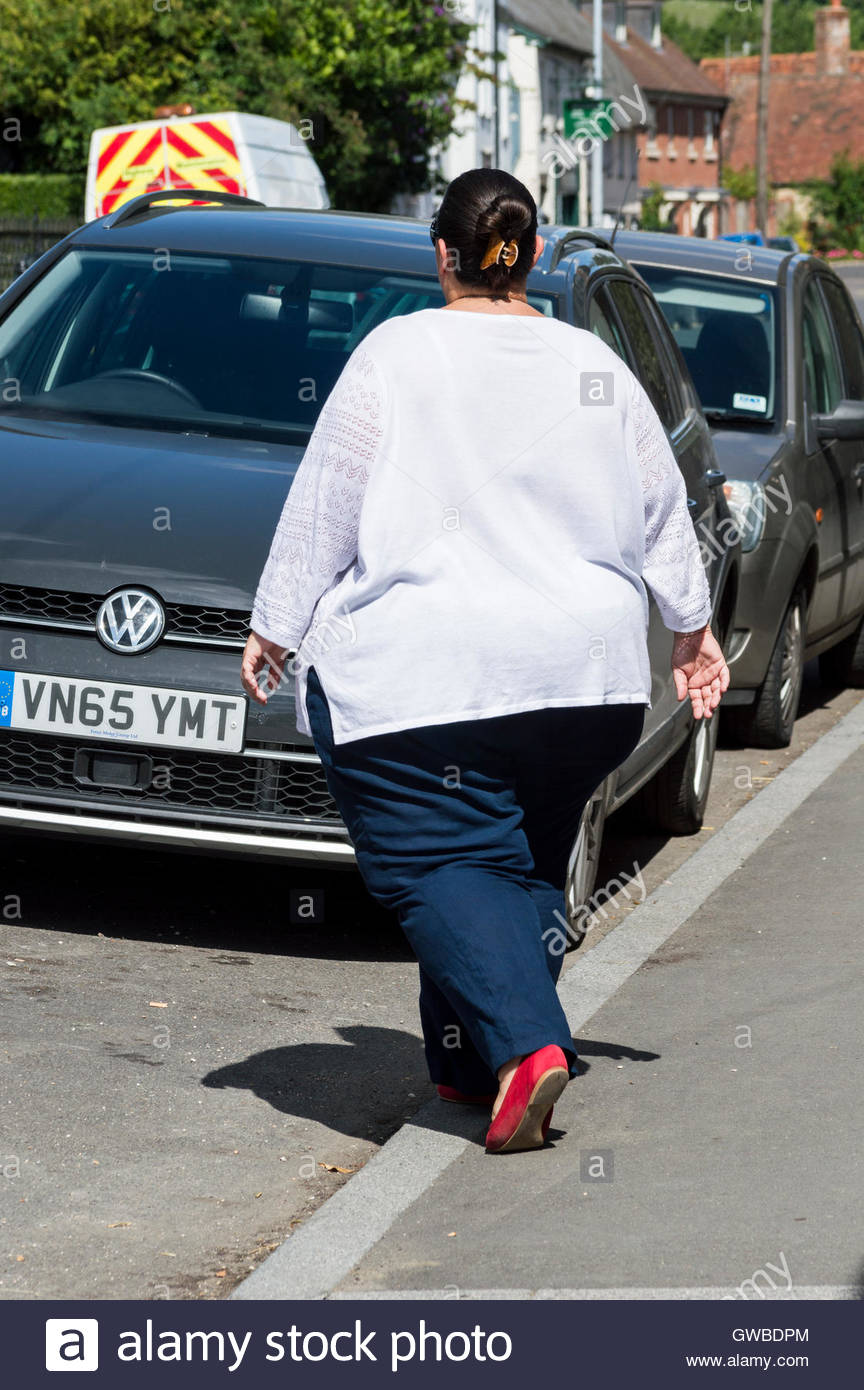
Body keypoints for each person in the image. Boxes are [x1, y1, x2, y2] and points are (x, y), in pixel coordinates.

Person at [240, 168, 729, 1154]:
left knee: (434, 861)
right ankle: (471, 1067)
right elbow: (661, 505)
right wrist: (694, 628)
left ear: (440, 256)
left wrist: (277, 622)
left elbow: (327, 499)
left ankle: (526, 1051)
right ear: (536, 257)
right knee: (518, 866)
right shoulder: (593, 365)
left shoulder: (398, 354)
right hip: (585, 685)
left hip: (431, 681)